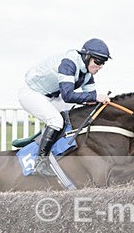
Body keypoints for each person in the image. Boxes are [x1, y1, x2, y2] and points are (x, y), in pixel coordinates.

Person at [18, 38, 112, 175]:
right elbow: (68, 96)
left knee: (71, 118)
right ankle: (40, 163)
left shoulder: (87, 73)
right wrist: (94, 97)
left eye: (103, 63)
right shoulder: (68, 65)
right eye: (97, 61)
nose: (100, 66)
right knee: (56, 121)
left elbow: (91, 97)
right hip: (31, 93)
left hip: (52, 96)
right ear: (86, 57)